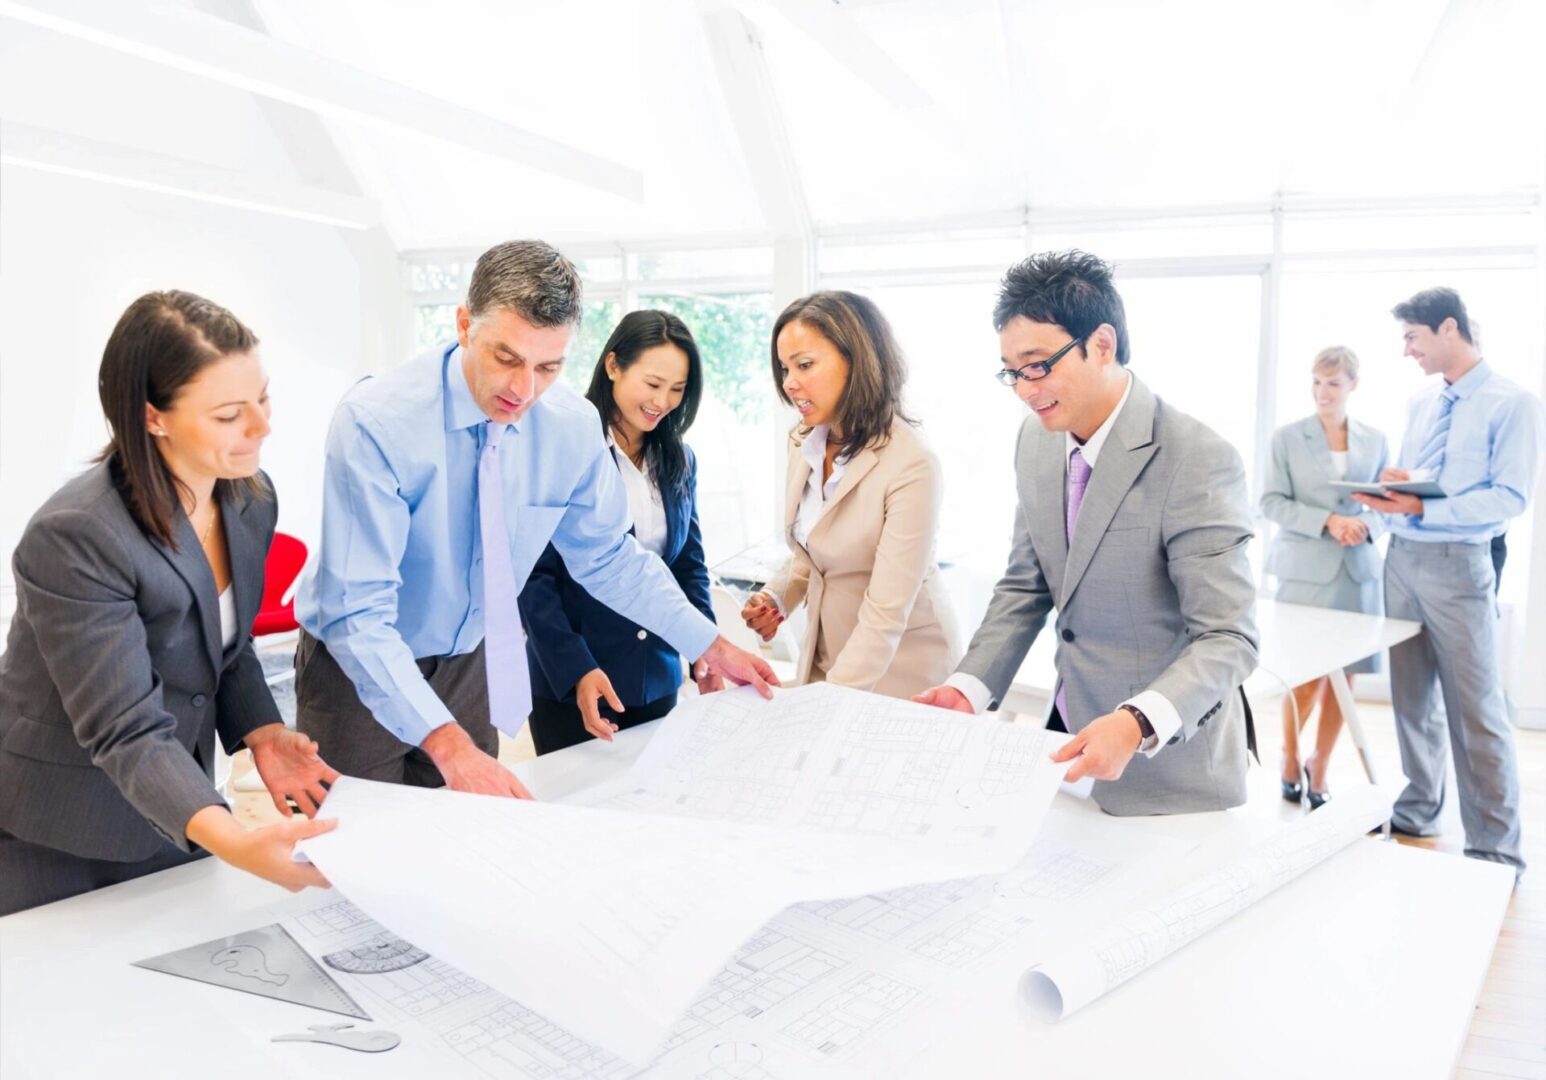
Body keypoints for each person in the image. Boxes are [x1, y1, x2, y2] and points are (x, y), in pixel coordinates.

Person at [294, 241, 774, 794]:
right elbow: (358, 609)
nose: (523, 390)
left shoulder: (570, 425)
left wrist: (710, 645)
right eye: (506, 358)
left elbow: (609, 559)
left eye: (548, 366)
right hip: (358, 662)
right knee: (357, 844)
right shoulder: (376, 422)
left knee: (467, 838)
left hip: (468, 662)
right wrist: (448, 744)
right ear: (463, 324)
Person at [0, 291, 338, 915]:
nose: (262, 427)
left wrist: (263, 733)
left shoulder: (248, 498)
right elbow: (124, 726)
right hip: (57, 823)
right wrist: (238, 842)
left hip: (174, 800)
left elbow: (224, 649)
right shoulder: (77, 535)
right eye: (230, 413)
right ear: (152, 417)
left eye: (262, 399)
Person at [913, 251, 1259, 815]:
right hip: (1066, 745)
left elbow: (1229, 637)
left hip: (1167, 768)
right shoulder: (1035, 441)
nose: (1025, 389)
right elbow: (1028, 585)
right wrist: (968, 688)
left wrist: (1136, 721)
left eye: (1038, 365)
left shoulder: (1196, 457)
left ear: (1101, 344)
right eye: (1011, 371)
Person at [1353, 287, 1543, 877]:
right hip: (1403, 560)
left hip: (1459, 565)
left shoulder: (1513, 403)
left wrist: (1421, 507)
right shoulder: (1420, 402)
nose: (1407, 350)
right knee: (1412, 701)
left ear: (1449, 329)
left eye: (1413, 337)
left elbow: (1508, 497)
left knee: (1475, 709)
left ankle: (1493, 844)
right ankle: (1418, 809)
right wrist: (1394, 489)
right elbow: (1428, 479)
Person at [739, 291, 962, 699]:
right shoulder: (803, 442)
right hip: (830, 659)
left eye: (804, 365)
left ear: (857, 360)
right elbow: (816, 547)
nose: (789, 382)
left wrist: (826, 702)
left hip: (904, 671)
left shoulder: (911, 463)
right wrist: (777, 597)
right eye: (784, 368)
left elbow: (885, 613)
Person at [519, 311, 721, 754]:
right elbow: (534, 578)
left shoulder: (679, 461)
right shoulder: (568, 447)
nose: (663, 401)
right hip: (577, 678)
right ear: (613, 366)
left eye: (677, 389)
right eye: (652, 384)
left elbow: (688, 565)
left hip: (657, 677)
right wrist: (575, 669)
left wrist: (705, 645)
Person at [1260, 346, 1389, 808]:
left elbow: (1386, 508)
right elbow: (1270, 502)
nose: (1323, 392)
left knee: (1346, 677)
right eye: (1316, 381)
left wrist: (1368, 525)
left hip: (1357, 573)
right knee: (1305, 677)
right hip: (1304, 572)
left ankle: (1321, 766)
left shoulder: (1376, 441)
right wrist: (1328, 521)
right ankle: (1291, 759)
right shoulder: (1288, 438)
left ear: (1354, 385)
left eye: (1333, 383)